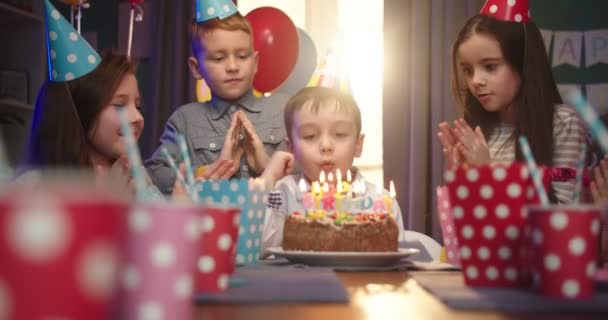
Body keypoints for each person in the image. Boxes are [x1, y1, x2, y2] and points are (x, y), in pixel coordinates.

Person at [437, 0, 589, 204]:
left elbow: (562, 213)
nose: (476, 81)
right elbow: (467, 221)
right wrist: (460, 178)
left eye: (490, 67)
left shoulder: (562, 124)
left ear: (523, 64)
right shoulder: (477, 133)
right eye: (468, 70)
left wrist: (489, 171)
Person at [145, 0, 288, 195]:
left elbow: (312, 170)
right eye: (219, 58)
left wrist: (268, 166)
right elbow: (155, 172)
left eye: (242, 56)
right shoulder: (185, 120)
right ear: (196, 68)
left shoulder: (283, 109)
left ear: (255, 62)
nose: (233, 67)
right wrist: (201, 175)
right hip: (212, 223)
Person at [260, 87, 406, 256]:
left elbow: (395, 259)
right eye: (310, 135)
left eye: (340, 134)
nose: (326, 146)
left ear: (358, 145)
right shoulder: (283, 194)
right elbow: (257, 247)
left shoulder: (381, 200)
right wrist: (267, 179)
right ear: (291, 147)